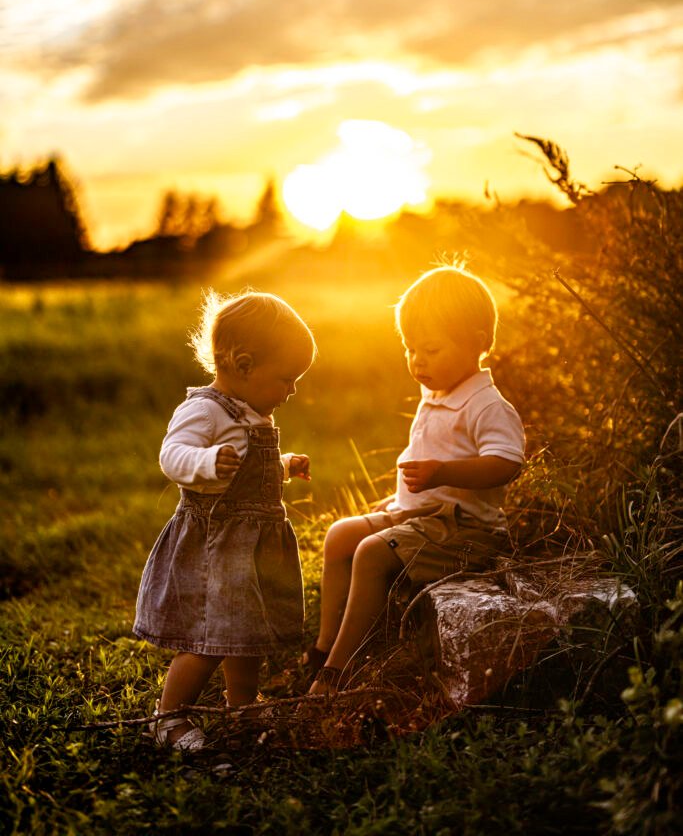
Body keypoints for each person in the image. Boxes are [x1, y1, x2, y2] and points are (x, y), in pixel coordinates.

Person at [306, 263, 525, 694]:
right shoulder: (438, 393)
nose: (417, 361)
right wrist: (395, 503)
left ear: (477, 344)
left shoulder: (486, 405)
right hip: (421, 515)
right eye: (409, 349)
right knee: (340, 535)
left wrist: (443, 472)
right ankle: (322, 647)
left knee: (370, 552)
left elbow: (506, 464)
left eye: (430, 349)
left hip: (465, 528)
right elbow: (423, 457)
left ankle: (338, 670)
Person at [133, 290, 316, 750]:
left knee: (246, 634)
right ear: (244, 363)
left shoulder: (254, 412)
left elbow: (252, 469)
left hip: (249, 550)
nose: (291, 390)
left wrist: (284, 465)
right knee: (207, 638)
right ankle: (169, 717)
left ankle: (243, 707)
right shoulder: (204, 409)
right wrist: (208, 461)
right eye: (287, 378)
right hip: (215, 546)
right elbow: (172, 455)